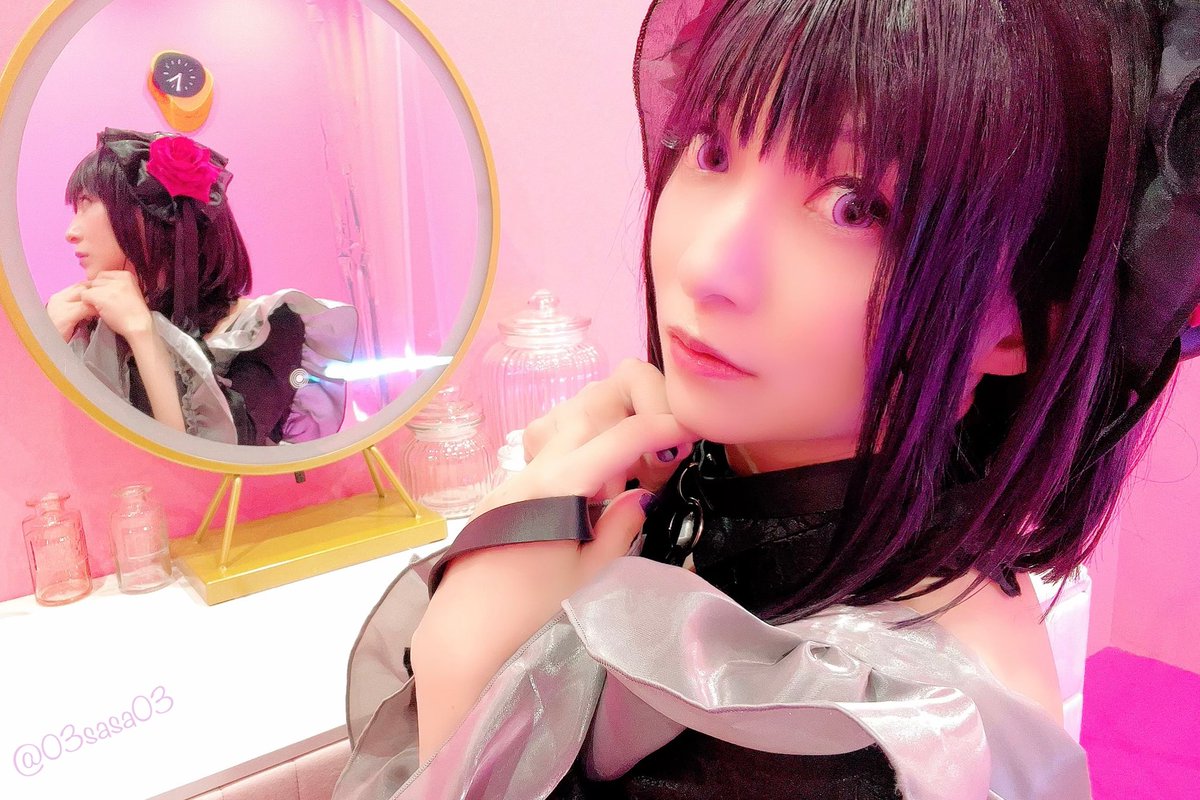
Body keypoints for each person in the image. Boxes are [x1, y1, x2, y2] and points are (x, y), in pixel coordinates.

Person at [334, 0, 1200, 797]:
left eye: (855, 207)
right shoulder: (730, 487)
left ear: (1023, 327)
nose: (708, 265)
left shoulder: (870, 736)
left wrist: (466, 681)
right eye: (712, 150)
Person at [48, 128, 358, 446]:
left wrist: (143, 335)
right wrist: (46, 345)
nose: (71, 232)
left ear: (147, 214)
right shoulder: (81, 323)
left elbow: (214, 464)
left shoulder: (266, 329)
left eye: (86, 203)